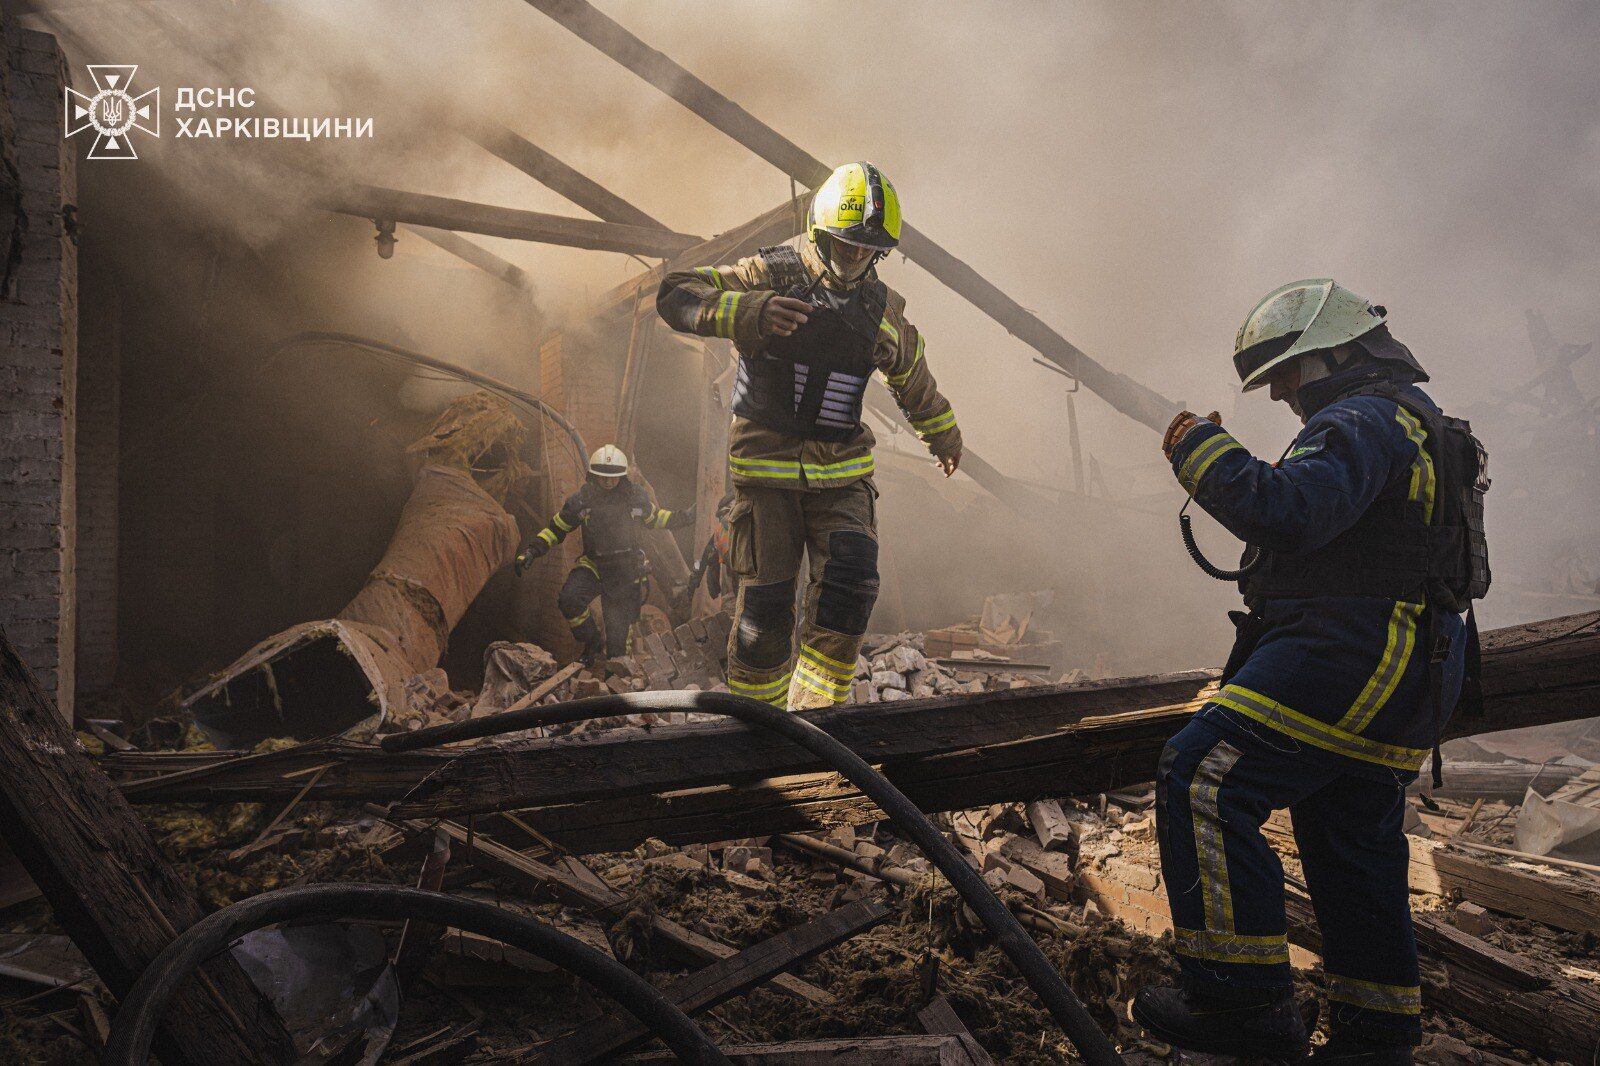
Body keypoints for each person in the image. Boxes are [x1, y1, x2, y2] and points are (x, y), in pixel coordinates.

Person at [1132, 280, 1490, 1064]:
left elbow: (1288, 512)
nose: (1284, 393)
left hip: (1357, 652)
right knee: (1347, 836)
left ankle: (1240, 1005)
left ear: (1342, 349)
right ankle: (1376, 1035)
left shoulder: (1362, 418)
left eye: (1291, 371)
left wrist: (1199, 450)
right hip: (1412, 672)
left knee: (1203, 774)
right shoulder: (1409, 422)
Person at [656, 161, 963, 711]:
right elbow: (676, 293)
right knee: (764, 617)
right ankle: (762, 731)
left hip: (843, 474)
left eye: (866, 251)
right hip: (765, 475)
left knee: (849, 591)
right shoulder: (769, 274)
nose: (853, 260)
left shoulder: (882, 310)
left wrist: (944, 436)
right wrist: (749, 312)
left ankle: (818, 724)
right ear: (822, 234)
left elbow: (913, 373)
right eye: (845, 247)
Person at [514, 445, 693, 665]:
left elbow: (655, 518)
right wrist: (533, 550)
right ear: (594, 475)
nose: (608, 482)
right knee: (570, 600)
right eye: (603, 477)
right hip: (593, 565)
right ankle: (592, 642)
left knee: (619, 648)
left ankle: (616, 685)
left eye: (614, 477)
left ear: (621, 476)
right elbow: (557, 528)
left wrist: (685, 517)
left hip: (625, 571)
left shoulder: (635, 497)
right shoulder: (582, 500)